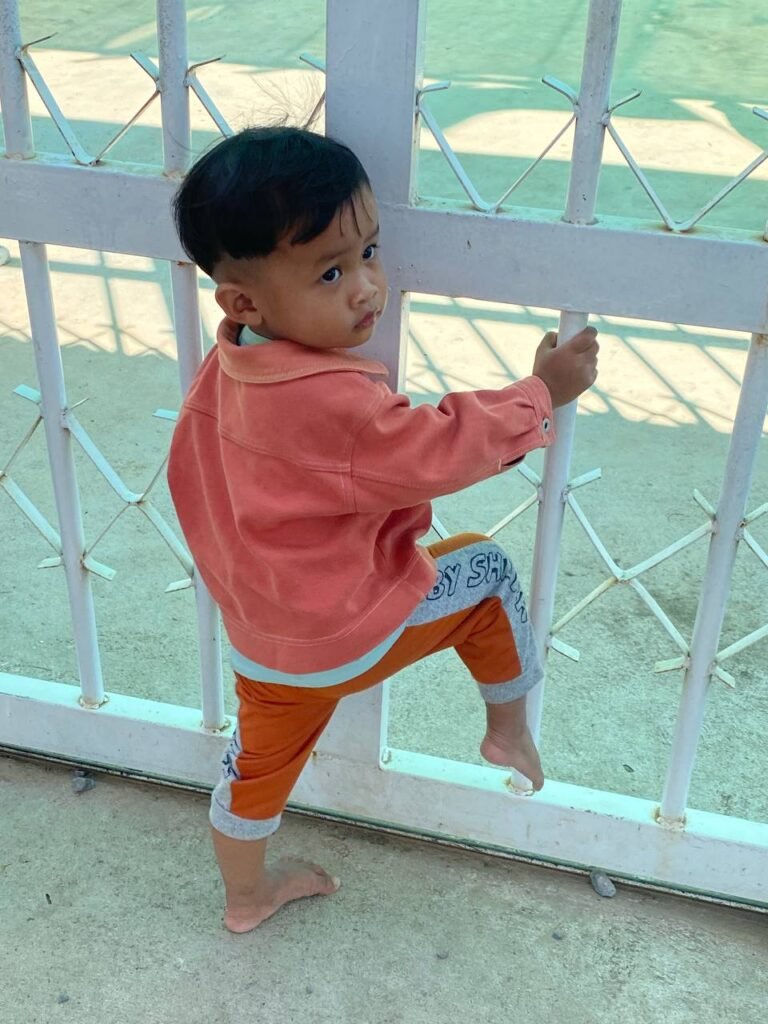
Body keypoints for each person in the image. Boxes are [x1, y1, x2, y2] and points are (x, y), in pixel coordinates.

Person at [168, 126, 598, 933]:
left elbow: (189, 477)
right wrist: (542, 393)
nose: (367, 286)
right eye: (331, 272)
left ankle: (245, 899)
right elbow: (440, 447)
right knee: (487, 572)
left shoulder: (226, 368)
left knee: (253, 771)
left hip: (263, 640)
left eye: (371, 251)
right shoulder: (340, 405)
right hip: (346, 633)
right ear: (245, 301)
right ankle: (507, 730)